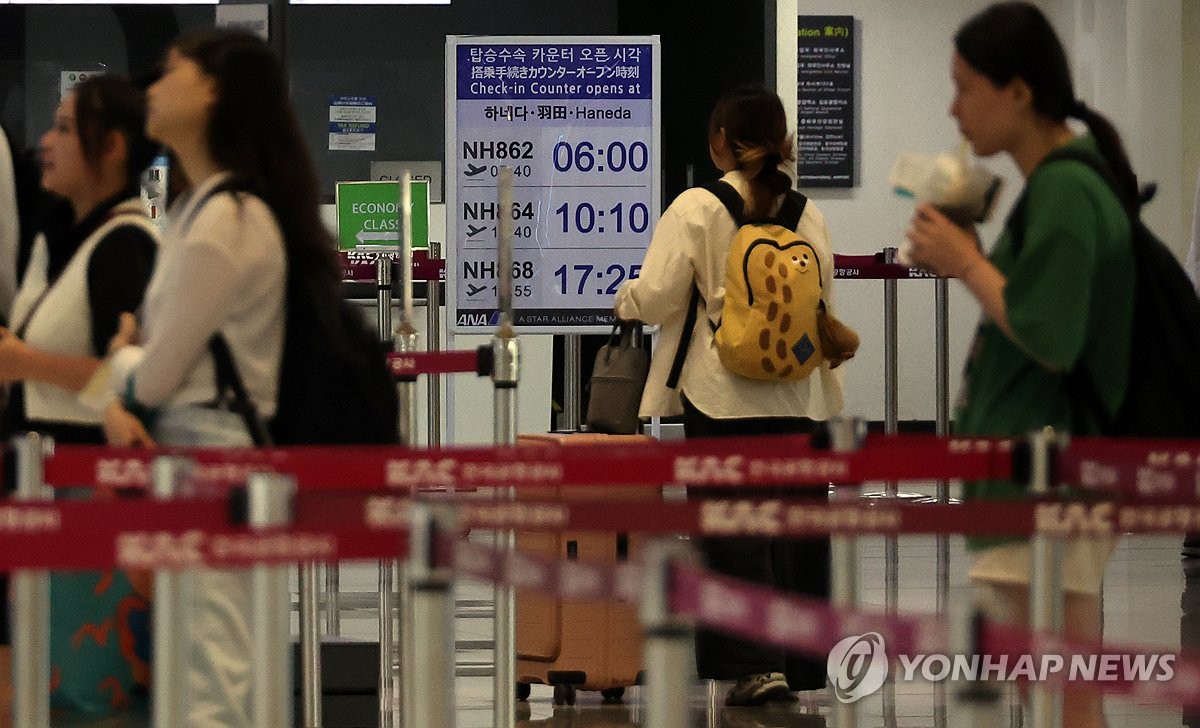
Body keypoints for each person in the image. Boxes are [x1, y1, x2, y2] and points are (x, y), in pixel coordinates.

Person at [904, 4, 1135, 726]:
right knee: (1061, 686)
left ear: (1018, 92)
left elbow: (1050, 333)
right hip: (1038, 471)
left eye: (965, 86)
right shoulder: (1063, 185)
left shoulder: (1068, 189)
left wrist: (967, 261)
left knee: (1057, 688)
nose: (954, 107)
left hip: (1044, 473)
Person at [100, 30, 338, 727]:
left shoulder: (225, 221)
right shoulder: (198, 211)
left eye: (170, 72)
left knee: (211, 671)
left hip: (209, 455)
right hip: (194, 455)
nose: (153, 87)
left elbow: (157, 371)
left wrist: (120, 361)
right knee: (198, 660)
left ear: (213, 93)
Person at [614, 85, 844, 706]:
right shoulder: (805, 211)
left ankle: (753, 665)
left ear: (722, 140)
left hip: (722, 395)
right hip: (800, 399)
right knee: (796, 528)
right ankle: (799, 663)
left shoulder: (698, 206)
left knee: (732, 524)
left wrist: (624, 299)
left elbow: (659, 296)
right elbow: (821, 303)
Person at [0, 75, 160, 716]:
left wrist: (24, 360)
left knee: (87, 686)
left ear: (112, 147)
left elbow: (123, 383)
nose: (45, 142)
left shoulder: (125, 245)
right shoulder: (57, 245)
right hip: (41, 483)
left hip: (89, 488)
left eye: (65, 129)